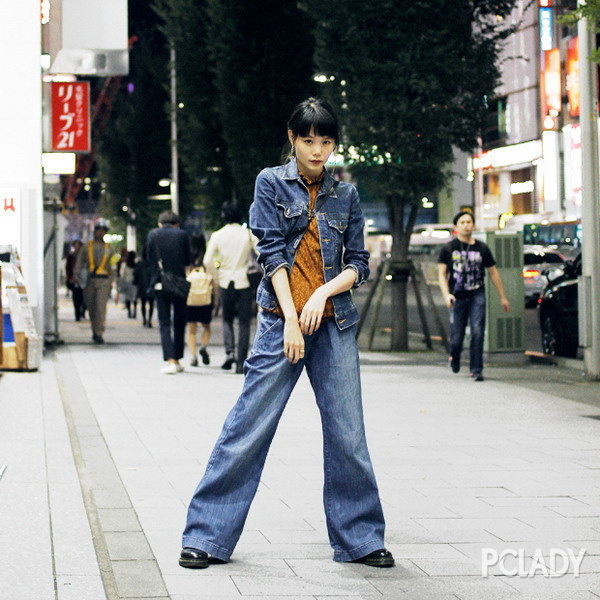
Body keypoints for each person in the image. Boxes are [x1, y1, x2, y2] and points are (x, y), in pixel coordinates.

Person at [179, 97, 394, 570]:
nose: (318, 151)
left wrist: (321, 296)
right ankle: (207, 535)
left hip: (335, 324)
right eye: (309, 141)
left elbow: (358, 264)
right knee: (248, 426)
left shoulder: (347, 196)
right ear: (293, 140)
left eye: (326, 142)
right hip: (283, 321)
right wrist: (295, 316)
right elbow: (271, 253)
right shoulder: (270, 183)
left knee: (348, 434)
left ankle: (360, 538)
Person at [437, 211, 510, 381]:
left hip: (477, 294)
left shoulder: (482, 248)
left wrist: (503, 296)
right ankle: (454, 357)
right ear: (456, 226)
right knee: (457, 337)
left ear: (474, 225)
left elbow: (493, 273)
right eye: (462, 222)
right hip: (457, 296)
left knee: (478, 332)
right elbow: (442, 274)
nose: (466, 225)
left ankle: (476, 369)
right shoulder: (449, 248)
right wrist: (446, 294)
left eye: (469, 222)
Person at [203, 202, 257, 374]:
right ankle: (241, 361)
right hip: (244, 282)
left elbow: (207, 260)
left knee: (226, 319)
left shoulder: (217, 235)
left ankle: (229, 353)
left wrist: (217, 275)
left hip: (226, 281)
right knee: (244, 322)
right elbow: (261, 252)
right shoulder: (247, 234)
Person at [146, 210, 192, 374]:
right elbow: (188, 259)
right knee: (179, 321)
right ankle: (178, 359)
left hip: (160, 283)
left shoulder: (153, 235)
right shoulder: (182, 235)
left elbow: (149, 260)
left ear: (160, 223)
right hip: (179, 283)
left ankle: (170, 360)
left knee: (164, 322)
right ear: (176, 224)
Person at [74, 220, 115, 344]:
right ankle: (94, 330)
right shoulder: (87, 246)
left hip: (103, 281)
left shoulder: (110, 248)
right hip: (90, 281)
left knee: (100, 308)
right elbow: (80, 262)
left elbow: (112, 265)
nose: (100, 232)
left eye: (103, 230)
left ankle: (99, 333)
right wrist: (76, 275)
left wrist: (112, 281)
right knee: (91, 307)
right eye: (98, 230)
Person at [186, 263, 213, 366]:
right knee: (206, 327)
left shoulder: (189, 273)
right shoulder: (206, 273)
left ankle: (193, 356)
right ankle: (203, 346)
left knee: (191, 331)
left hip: (191, 303)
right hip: (205, 303)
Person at [65, 239, 86, 321]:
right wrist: (70, 278)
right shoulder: (71, 256)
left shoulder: (85, 257)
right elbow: (68, 268)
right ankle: (77, 314)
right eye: (75, 246)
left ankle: (82, 312)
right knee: (76, 298)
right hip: (75, 280)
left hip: (84, 281)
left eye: (78, 246)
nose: (77, 248)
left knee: (84, 298)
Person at [133, 247, 154, 327]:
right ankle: (150, 320)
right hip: (151, 286)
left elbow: (135, 274)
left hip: (141, 286)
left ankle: (144, 319)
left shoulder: (139, 264)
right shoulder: (152, 263)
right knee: (151, 304)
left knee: (143, 303)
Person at [121, 250, 138, 319]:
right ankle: (134, 311)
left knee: (128, 298)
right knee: (134, 298)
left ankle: (129, 312)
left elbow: (123, 276)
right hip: (134, 283)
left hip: (127, 283)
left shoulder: (125, 265)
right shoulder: (136, 265)